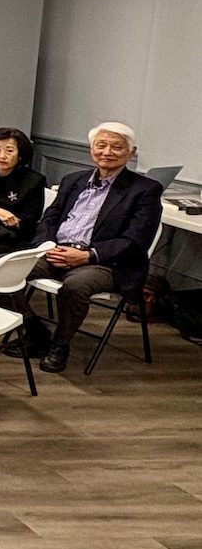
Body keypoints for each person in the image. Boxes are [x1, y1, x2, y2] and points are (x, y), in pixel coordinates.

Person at [10, 122, 163, 374]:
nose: (107, 151)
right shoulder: (73, 181)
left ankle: (60, 345)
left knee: (76, 285)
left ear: (131, 153)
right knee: (2, 269)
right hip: (57, 252)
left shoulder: (144, 190)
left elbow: (135, 241)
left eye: (117, 147)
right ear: (91, 148)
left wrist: (87, 255)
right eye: (100, 145)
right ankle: (35, 331)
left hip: (105, 263)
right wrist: (47, 246)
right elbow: (50, 217)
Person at [0, 127, 47, 258]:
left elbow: (27, 221)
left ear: (20, 154)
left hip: (14, 240)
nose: (2, 156)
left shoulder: (34, 180)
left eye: (9, 151)